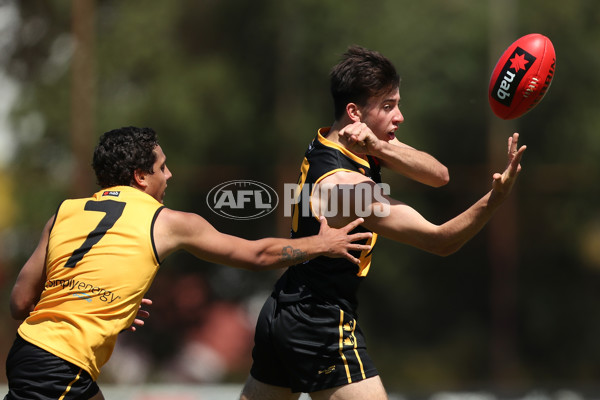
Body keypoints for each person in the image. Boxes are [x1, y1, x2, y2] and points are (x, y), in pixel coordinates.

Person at [239, 45, 526, 400]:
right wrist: (496, 198)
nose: (400, 116)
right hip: (320, 319)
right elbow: (440, 241)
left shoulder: (332, 141)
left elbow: (440, 176)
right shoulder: (346, 188)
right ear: (354, 112)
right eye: (388, 106)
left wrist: (380, 146)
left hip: (283, 309)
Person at [4, 126, 374, 400]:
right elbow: (255, 254)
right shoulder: (166, 222)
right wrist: (321, 243)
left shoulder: (63, 214)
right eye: (162, 168)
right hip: (59, 367)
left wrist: (94, 306)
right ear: (140, 177)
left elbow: (20, 303)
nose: (169, 175)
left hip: (29, 355)